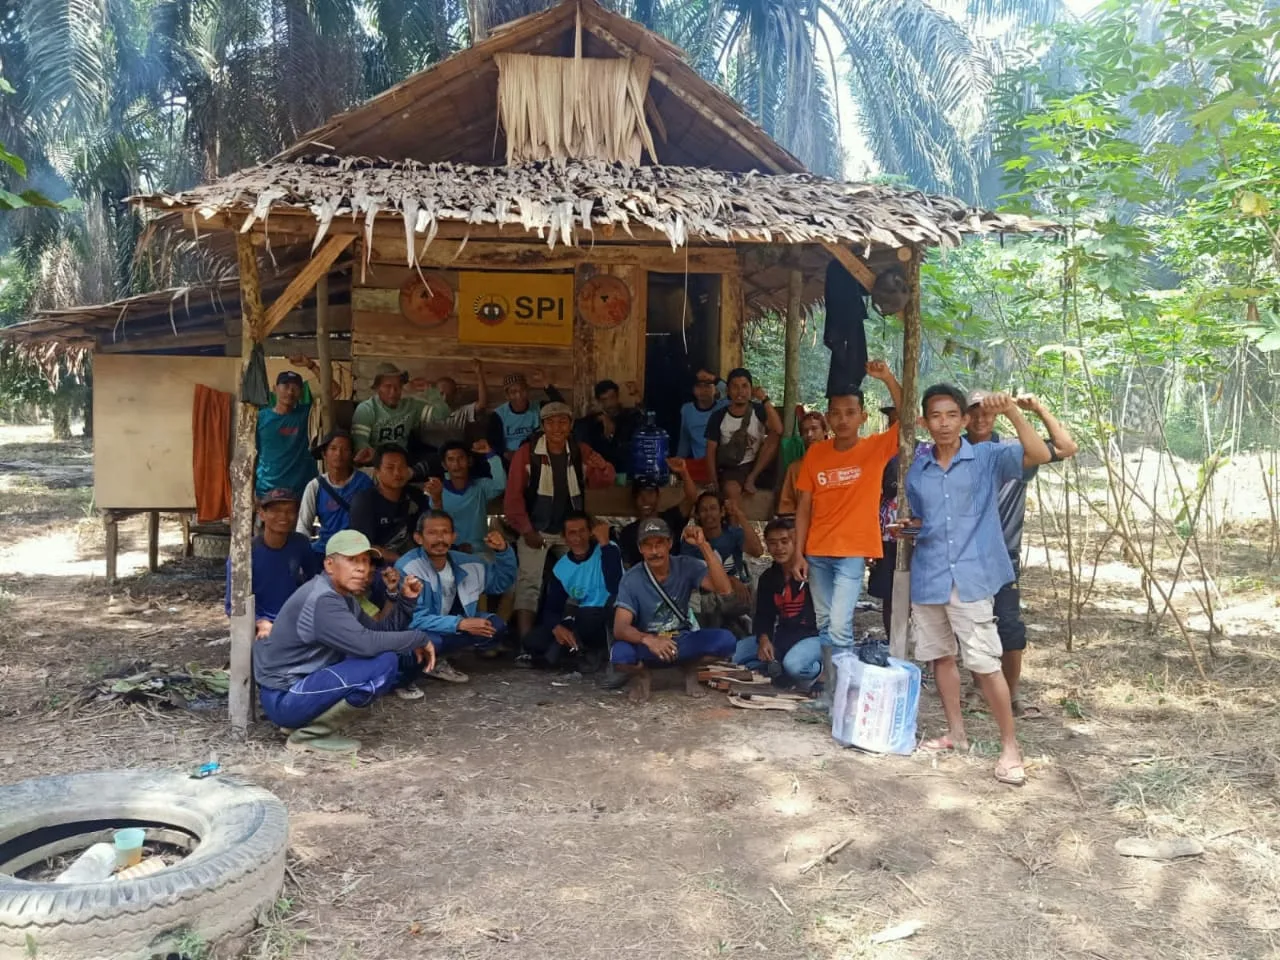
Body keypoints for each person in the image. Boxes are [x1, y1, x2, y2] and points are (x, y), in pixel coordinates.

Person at [904, 385, 1051, 787]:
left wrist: (1014, 414)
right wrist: (909, 528)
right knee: (940, 656)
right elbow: (925, 521)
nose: (944, 423)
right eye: (936, 416)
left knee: (985, 663)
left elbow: (1039, 455)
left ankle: (1010, 748)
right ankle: (956, 733)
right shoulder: (919, 469)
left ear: (965, 420)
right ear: (925, 422)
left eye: (952, 415)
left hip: (970, 576)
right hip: (930, 574)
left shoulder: (987, 457)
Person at [253, 529, 436, 754]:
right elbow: (366, 644)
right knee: (384, 663)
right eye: (353, 560)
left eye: (366, 561)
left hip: (292, 693)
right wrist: (417, 638)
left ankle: (302, 725)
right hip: (285, 699)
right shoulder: (323, 599)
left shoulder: (342, 596)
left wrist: (406, 601)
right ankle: (308, 735)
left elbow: (380, 631)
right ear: (329, 565)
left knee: (382, 656)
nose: (362, 568)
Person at [790, 361, 904, 713]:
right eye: (836, 413)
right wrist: (798, 553)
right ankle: (832, 695)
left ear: (863, 417)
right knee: (825, 624)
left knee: (839, 625)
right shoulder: (816, 453)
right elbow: (804, 507)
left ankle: (844, 698)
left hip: (853, 552)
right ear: (827, 418)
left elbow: (907, 420)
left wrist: (887, 379)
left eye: (850, 413)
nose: (842, 419)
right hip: (817, 552)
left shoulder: (875, 449)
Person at [965, 389, 1078, 718]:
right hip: (966, 553)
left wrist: (1036, 408)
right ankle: (978, 688)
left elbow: (1066, 448)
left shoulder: (1014, 450)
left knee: (1010, 627)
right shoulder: (955, 452)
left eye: (988, 412)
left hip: (1004, 553)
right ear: (964, 417)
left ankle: (1013, 692)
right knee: (973, 624)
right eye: (974, 412)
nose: (981, 418)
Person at [504, 402, 616, 639]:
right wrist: (527, 530)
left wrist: (603, 467)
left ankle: (577, 637)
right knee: (529, 584)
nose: (557, 427)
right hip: (536, 529)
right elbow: (513, 497)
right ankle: (526, 643)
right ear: (542, 426)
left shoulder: (579, 451)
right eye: (551, 422)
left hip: (570, 531)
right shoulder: (527, 453)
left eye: (563, 422)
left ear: (571, 424)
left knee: (581, 579)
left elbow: (601, 482)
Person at [612, 518, 737, 702]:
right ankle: (643, 675)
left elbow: (724, 589)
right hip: (647, 645)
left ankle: (690, 668)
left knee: (726, 641)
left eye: (659, 544)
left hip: (680, 641)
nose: (654, 551)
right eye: (648, 545)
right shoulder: (631, 579)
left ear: (670, 543)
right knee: (620, 656)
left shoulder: (686, 565)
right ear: (640, 548)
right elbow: (620, 628)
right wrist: (649, 640)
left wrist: (703, 545)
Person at [395, 512, 517, 687]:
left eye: (445, 532)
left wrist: (503, 551)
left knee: (494, 626)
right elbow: (412, 619)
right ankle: (416, 667)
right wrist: (461, 624)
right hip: (417, 629)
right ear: (418, 538)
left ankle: (440, 657)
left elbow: (501, 582)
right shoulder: (408, 567)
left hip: (447, 622)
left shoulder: (468, 563)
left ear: (454, 537)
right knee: (430, 641)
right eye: (432, 533)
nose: (440, 539)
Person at [521, 511, 622, 672]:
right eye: (572, 533)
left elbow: (614, 585)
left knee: (587, 615)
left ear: (590, 532)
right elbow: (552, 608)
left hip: (610, 615)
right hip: (580, 619)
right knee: (533, 640)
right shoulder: (562, 568)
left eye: (582, 531)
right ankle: (578, 650)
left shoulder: (609, 549)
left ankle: (593, 651)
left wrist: (604, 542)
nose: (578, 537)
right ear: (564, 537)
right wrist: (557, 627)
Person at [734, 519, 822, 688]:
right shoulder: (768, 577)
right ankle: (779, 668)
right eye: (773, 543)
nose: (779, 548)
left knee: (795, 666)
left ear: (795, 542)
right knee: (736, 655)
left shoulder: (813, 571)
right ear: (767, 546)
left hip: (813, 637)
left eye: (784, 541)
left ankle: (818, 670)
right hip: (782, 636)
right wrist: (764, 639)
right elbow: (763, 616)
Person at [225, 488, 321, 638]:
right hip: (261, 625)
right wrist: (260, 622)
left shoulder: (300, 544)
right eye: (275, 511)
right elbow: (232, 604)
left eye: (290, 511)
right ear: (262, 514)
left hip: (295, 619)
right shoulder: (244, 552)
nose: (283, 516)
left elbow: (314, 581)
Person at [682, 491, 763, 632]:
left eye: (713, 508)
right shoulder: (691, 542)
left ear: (722, 512)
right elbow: (693, 578)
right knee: (706, 602)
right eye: (704, 510)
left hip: (739, 593)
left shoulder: (734, 534)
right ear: (697, 515)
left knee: (756, 590)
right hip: (708, 595)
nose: (709, 514)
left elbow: (757, 551)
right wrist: (730, 579)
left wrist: (739, 514)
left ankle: (754, 632)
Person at [350, 363, 449, 473]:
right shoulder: (366, 409)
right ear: (377, 388)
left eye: (398, 386)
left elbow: (442, 414)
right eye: (388, 386)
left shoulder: (411, 406)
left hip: (403, 460)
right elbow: (360, 442)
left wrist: (430, 391)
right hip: (377, 463)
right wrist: (371, 455)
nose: (393, 391)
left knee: (440, 458)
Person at [704, 368, 782, 497]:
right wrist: (713, 480)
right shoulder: (719, 416)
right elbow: (710, 450)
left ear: (751, 389)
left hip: (757, 465)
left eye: (745, 386)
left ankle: (751, 479)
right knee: (731, 489)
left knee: (774, 436)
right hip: (733, 467)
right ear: (728, 391)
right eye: (735, 387)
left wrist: (764, 399)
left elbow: (778, 429)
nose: (740, 391)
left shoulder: (759, 410)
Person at [296, 430, 374, 554]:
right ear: (324, 454)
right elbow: (303, 526)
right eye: (333, 449)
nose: (339, 454)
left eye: (345, 449)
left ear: (352, 454)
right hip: (325, 549)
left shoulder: (366, 479)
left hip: (357, 550)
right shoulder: (315, 486)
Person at [348, 445, 429, 563]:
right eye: (390, 468)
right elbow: (364, 546)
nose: (397, 473)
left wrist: (437, 500)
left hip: (416, 561)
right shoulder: (365, 501)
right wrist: (403, 562)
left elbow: (431, 529)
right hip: (377, 567)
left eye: (402, 467)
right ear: (377, 472)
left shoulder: (415, 496)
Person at [425, 439, 506, 554]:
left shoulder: (480, 486)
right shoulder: (438, 490)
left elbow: (501, 485)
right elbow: (436, 521)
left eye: (461, 458)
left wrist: (490, 454)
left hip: (480, 552)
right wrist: (437, 498)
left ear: (469, 461)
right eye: (451, 459)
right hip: (450, 552)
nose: (456, 464)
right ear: (444, 465)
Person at [617, 456, 698, 568]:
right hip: (643, 578)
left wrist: (684, 472)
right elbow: (627, 567)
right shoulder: (628, 533)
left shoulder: (671, 518)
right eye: (640, 495)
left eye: (650, 494)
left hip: (673, 576)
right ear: (634, 499)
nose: (645, 499)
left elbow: (691, 498)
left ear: (658, 495)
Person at [255, 367, 316, 499]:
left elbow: (334, 391)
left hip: (299, 491)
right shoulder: (260, 418)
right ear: (275, 389)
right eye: (286, 386)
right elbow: (252, 453)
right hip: (266, 490)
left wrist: (311, 365)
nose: (290, 392)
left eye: (295, 388)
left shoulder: (306, 414)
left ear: (301, 393)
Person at [487, 368, 566, 461]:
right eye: (513, 392)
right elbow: (494, 443)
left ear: (528, 391)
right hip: (509, 458)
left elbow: (560, 405)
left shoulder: (538, 407)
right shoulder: (499, 415)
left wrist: (545, 382)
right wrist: (506, 454)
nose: (519, 395)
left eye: (522, 390)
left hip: (534, 454)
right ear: (507, 396)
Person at [575, 379, 643, 472]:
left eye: (612, 398)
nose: (609, 404)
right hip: (601, 472)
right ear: (599, 401)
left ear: (617, 397)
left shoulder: (629, 416)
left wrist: (637, 397)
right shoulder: (592, 421)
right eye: (604, 400)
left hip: (625, 471)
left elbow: (645, 420)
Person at [677, 368, 728, 484]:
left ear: (715, 389)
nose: (703, 390)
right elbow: (685, 439)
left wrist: (714, 379)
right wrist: (679, 460)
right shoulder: (687, 410)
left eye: (707, 386)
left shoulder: (723, 406)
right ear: (693, 389)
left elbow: (735, 393)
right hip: (699, 464)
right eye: (699, 386)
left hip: (720, 463)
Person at [776, 410, 829, 516]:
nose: (809, 434)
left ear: (825, 431)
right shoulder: (795, 468)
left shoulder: (839, 462)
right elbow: (786, 506)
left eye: (814, 429)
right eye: (805, 431)